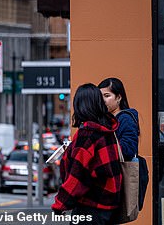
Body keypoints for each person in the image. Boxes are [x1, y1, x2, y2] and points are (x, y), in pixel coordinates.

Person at [52, 83, 123, 224]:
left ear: (80, 105)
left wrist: (60, 204)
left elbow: (78, 174)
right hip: (109, 205)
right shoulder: (107, 130)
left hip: (91, 206)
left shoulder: (87, 135)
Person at [99, 77, 139, 160]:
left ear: (118, 98)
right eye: (100, 96)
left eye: (107, 96)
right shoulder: (105, 118)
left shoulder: (125, 119)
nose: (103, 100)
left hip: (120, 170)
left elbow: (129, 150)